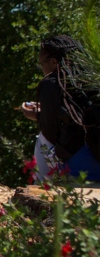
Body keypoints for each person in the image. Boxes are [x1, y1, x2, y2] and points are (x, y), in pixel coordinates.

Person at [21, 35, 100, 181]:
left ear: (53, 61)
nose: (42, 67)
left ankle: (42, 186)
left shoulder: (52, 83)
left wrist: (38, 116)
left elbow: (51, 131)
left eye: (42, 63)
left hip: (81, 169)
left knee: (42, 138)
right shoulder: (93, 78)